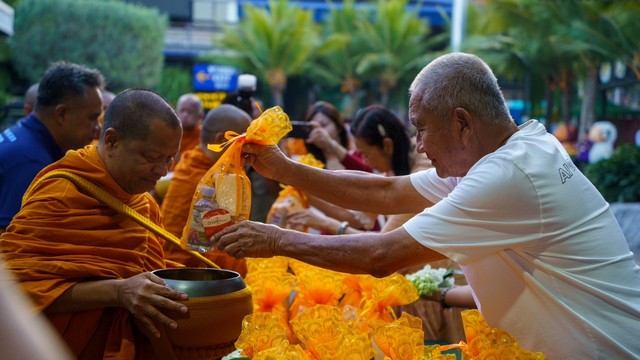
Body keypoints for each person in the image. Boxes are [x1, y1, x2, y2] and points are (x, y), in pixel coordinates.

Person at [213, 53, 640, 359]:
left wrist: (273, 240)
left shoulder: (508, 175)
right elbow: (386, 193)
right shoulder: (507, 151)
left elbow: (383, 255)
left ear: (462, 123)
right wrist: (286, 169)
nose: (417, 145)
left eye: (421, 130)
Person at [0, 89, 190, 359]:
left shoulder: (143, 204)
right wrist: (117, 292)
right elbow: (15, 288)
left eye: (170, 158)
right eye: (151, 157)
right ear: (112, 141)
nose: (162, 171)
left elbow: (147, 270)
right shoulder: (61, 196)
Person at [0, 62, 105, 231]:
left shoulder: (21, 136)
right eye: (92, 118)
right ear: (62, 114)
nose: (97, 130)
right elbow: (9, 245)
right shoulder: (31, 164)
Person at [161, 104, 251, 274]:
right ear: (220, 140)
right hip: (186, 274)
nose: (247, 154)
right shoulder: (208, 182)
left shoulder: (192, 161)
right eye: (243, 144)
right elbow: (225, 245)